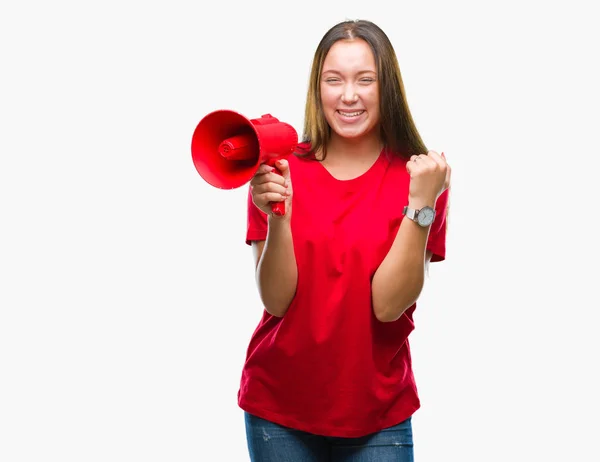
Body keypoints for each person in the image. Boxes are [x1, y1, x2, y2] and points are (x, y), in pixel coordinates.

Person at [240, 18, 451, 461]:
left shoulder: (421, 181)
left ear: (387, 86)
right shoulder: (278, 171)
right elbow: (276, 302)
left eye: (365, 80)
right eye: (333, 80)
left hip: (378, 411)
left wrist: (419, 207)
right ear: (318, 88)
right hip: (278, 406)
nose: (348, 95)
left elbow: (388, 306)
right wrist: (279, 216)